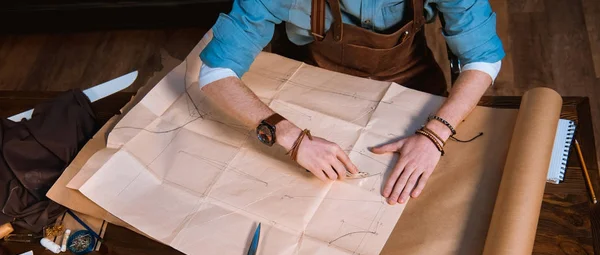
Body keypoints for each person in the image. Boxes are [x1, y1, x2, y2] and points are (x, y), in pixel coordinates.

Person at [198, 0, 505, 205]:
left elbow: (483, 58)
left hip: (408, 79)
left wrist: (435, 134)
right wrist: (292, 137)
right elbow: (215, 73)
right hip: (313, 83)